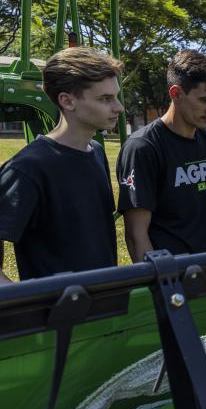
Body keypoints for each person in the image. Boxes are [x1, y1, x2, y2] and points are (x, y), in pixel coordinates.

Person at [0, 47, 123, 282]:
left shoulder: (96, 152)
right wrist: (23, 303)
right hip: (56, 315)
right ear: (67, 101)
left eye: (116, 96)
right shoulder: (28, 168)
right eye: (105, 99)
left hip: (105, 309)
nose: (118, 107)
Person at [117, 49, 206, 261]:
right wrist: (159, 285)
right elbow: (136, 235)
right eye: (205, 100)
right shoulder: (143, 147)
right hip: (173, 280)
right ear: (176, 93)